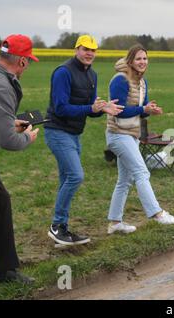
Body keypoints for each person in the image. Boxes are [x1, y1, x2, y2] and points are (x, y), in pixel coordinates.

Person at [44, 35, 123, 246]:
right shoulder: (63, 72)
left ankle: (61, 228)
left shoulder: (92, 75)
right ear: (76, 50)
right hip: (57, 131)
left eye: (93, 50)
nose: (89, 53)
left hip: (74, 134)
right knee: (76, 176)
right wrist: (91, 108)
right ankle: (56, 227)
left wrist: (102, 109)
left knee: (66, 179)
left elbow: (91, 109)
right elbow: (60, 107)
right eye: (85, 49)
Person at [106, 44, 174, 234]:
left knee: (125, 180)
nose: (142, 62)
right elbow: (119, 111)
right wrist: (143, 109)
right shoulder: (120, 80)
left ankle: (115, 223)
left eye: (145, 59)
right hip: (117, 134)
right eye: (139, 59)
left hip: (132, 135)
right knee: (142, 172)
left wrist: (150, 110)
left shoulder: (142, 82)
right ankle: (157, 214)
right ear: (130, 61)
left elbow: (142, 109)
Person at [0, 34, 39, 284]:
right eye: (28, 61)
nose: (28, 66)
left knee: (3, 202)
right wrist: (27, 138)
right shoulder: (1, 86)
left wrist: (10, 124)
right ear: (21, 61)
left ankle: (6, 271)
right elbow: (9, 142)